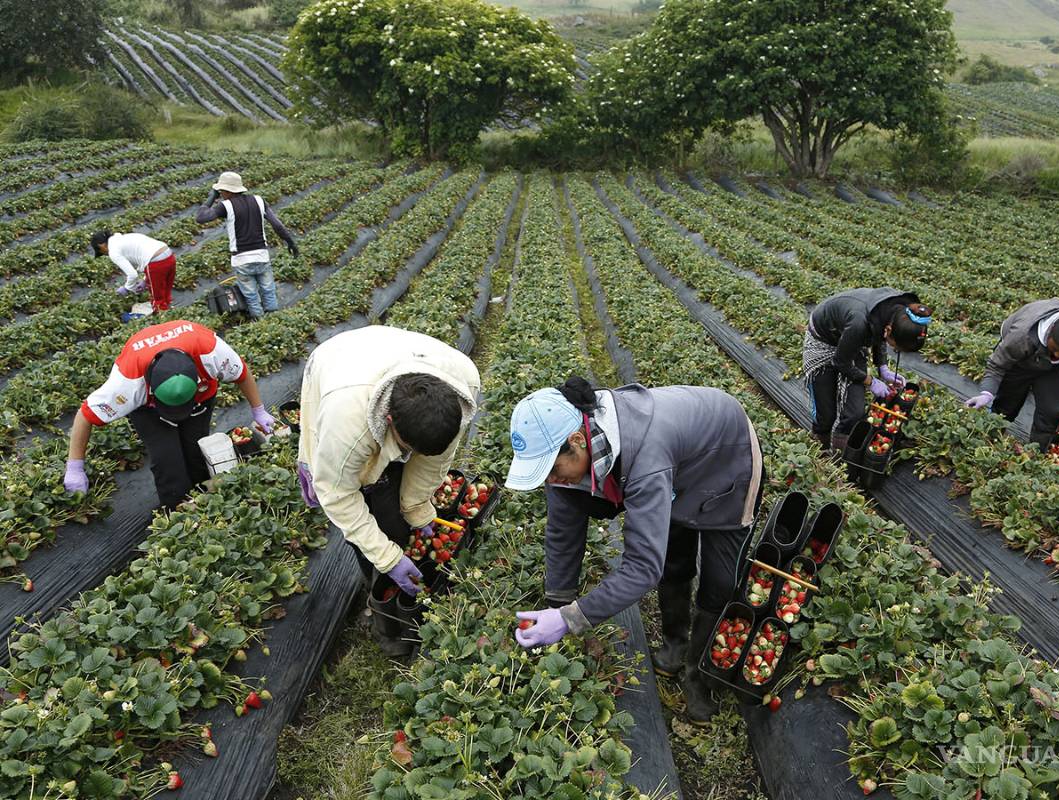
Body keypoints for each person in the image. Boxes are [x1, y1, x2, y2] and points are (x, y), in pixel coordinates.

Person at [505, 378, 763, 725]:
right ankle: (675, 644)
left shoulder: (646, 457)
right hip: (678, 465)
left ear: (577, 442)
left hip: (725, 457)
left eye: (551, 469)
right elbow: (562, 535)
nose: (552, 480)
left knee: (719, 580)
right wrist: (557, 605)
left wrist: (570, 619)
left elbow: (642, 568)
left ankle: (698, 676)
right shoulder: (568, 458)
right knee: (673, 556)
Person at [296, 327, 480, 657]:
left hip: (387, 356)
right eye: (407, 447)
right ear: (389, 419)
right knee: (372, 504)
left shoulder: (462, 386)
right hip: (339, 366)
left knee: (398, 508)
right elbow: (338, 495)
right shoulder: (347, 423)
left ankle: (395, 562)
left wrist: (417, 506)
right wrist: (387, 557)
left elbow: (435, 459)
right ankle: (379, 588)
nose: (411, 456)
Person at [64, 320, 273, 510]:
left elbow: (242, 373)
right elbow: (85, 415)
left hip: (199, 400)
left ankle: (206, 499)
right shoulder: (127, 383)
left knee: (196, 449)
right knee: (167, 460)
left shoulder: (211, 352)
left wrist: (259, 411)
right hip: (150, 412)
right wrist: (75, 467)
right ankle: (177, 510)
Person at [802, 288, 933, 450]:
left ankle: (840, 453)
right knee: (826, 414)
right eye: (897, 346)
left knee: (855, 412)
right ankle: (819, 442)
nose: (895, 349)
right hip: (824, 340)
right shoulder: (859, 323)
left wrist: (883, 367)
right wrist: (871, 381)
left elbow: (879, 334)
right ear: (889, 331)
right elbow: (841, 362)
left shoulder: (895, 312)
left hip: (852, 341)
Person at [965, 300, 1059, 449]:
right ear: (1051, 329)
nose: (1057, 354)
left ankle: (1036, 452)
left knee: (1051, 411)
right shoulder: (1021, 336)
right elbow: (997, 365)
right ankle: (991, 440)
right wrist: (987, 393)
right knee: (1006, 405)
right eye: (1055, 348)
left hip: (1055, 371)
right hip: (1019, 363)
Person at [195, 171, 299, 319]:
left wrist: (211, 197)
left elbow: (201, 218)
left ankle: (259, 323)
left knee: (251, 296)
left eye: (221, 191)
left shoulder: (225, 206)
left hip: (241, 260)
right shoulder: (259, 200)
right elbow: (278, 225)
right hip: (262, 256)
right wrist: (291, 242)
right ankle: (275, 320)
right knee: (268, 290)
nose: (221, 193)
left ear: (227, 191)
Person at [91, 229, 176, 315]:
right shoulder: (125, 238)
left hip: (156, 262)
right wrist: (145, 280)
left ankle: (163, 320)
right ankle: (170, 315)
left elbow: (133, 275)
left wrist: (127, 288)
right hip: (169, 255)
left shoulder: (113, 251)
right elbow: (142, 258)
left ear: (101, 246)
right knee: (165, 293)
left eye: (101, 251)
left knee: (158, 299)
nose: (105, 254)